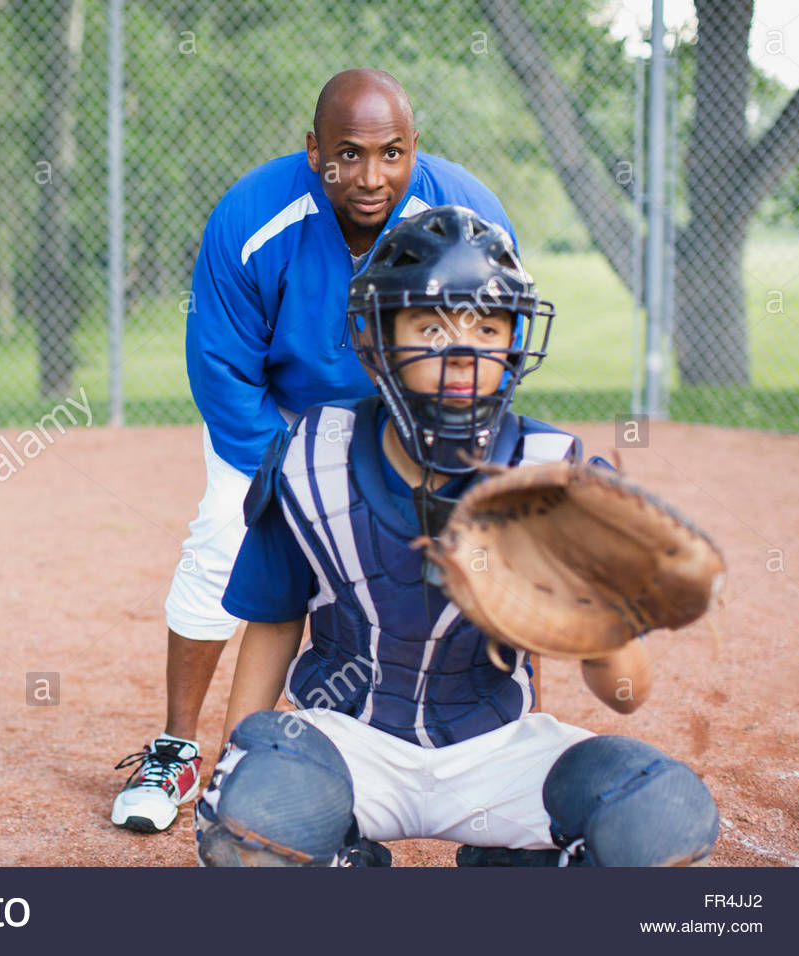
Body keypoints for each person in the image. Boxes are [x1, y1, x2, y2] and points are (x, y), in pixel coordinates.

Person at [192, 205, 720, 867]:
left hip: (497, 749)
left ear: (515, 340)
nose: (464, 351)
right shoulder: (311, 457)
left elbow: (628, 694)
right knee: (251, 821)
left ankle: (505, 871)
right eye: (432, 325)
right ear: (380, 337)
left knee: (661, 824)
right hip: (349, 744)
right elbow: (274, 620)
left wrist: (599, 619)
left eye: (488, 324)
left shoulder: (558, 479)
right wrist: (237, 754)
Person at [112, 68, 519, 834]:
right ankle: (179, 750)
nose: (372, 177)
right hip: (276, 417)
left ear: (414, 147)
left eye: (392, 153)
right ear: (313, 152)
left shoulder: (467, 214)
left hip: (405, 420)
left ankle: (426, 754)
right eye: (349, 155)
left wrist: (432, 451)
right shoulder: (251, 215)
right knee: (224, 542)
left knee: (435, 561)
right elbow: (222, 366)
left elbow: (493, 344)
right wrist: (291, 473)